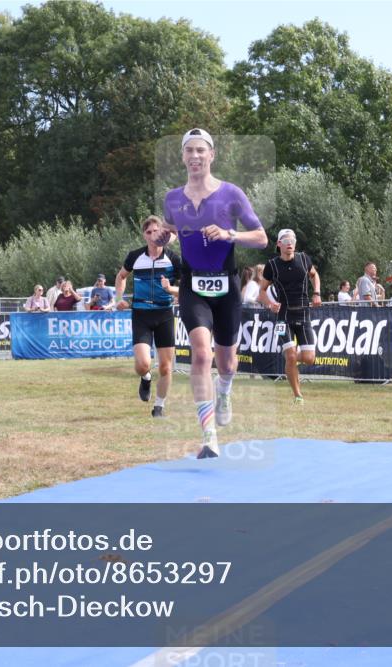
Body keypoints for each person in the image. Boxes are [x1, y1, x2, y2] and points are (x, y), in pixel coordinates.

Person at [160, 128, 268, 458]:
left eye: (200, 151)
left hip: (226, 284)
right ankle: (209, 437)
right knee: (202, 355)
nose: (194, 156)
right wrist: (167, 239)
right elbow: (172, 230)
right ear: (182, 157)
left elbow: (262, 237)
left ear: (211, 155)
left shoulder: (231, 193)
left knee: (227, 362)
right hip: (193, 284)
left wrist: (228, 233)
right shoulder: (172, 198)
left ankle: (225, 391)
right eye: (189, 151)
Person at [114, 214, 182, 417]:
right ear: (144, 235)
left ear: (163, 233)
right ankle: (145, 378)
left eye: (156, 231)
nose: (153, 235)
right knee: (143, 363)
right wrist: (119, 298)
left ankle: (159, 406)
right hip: (141, 314)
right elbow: (121, 276)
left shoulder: (173, 258)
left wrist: (172, 289)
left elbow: (186, 287)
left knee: (165, 366)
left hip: (164, 314)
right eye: (149, 232)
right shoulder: (135, 256)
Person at [257, 229, 321, 404]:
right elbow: (261, 292)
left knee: (309, 358)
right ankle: (298, 395)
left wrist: (316, 293)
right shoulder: (272, 265)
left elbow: (315, 276)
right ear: (279, 244)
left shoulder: (303, 259)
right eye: (285, 240)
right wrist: (270, 304)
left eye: (292, 239)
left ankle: (289, 359)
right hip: (283, 316)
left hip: (303, 313)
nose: (289, 243)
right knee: (291, 356)